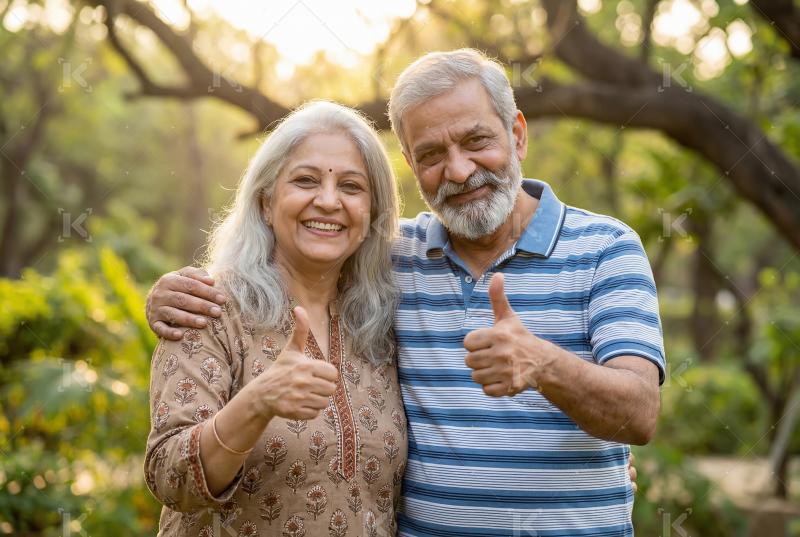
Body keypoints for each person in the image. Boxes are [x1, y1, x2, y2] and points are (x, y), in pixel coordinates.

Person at [147, 49, 663, 536]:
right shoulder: (395, 263)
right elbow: (305, 253)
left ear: (518, 134)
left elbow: (639, 413)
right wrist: (168, 295)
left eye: (477, 140)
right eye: (432, 154)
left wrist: (545, 366)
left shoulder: (605, 248)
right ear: (412, 168)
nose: (459, 171)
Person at [144, 101, 407, 536]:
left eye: (351, 186)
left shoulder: (381, 322)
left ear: (373, 213)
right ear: (266, 203)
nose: (328, 201)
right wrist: (256, 403)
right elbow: (170, 477)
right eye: (305, 180)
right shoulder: (207, 309)